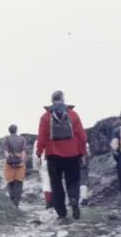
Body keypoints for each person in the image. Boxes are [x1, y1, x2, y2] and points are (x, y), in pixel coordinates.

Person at [36, 90, 87, 221]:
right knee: (73, 180)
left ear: (51, 100)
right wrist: (83, 152)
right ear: (63, 99)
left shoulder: (45, 117)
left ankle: (61, 213)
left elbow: (41, 138)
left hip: (53, 155)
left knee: (56, 183)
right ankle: (74, 198)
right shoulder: (73, 114)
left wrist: (38, 152)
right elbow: (81, 135)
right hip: (73, 154)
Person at [2, 123, 27, 207]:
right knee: (19, 183)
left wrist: (9, 159)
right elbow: (23, 151)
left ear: (9, 131)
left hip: (9, 163)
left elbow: (5, 152)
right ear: (16, 130)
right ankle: (17, 203)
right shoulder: (22, 139)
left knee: (10, 182)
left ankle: (12, 202)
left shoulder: (7, 139)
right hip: (19, 162)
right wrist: (22, 161)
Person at [34, 137, 52, 208]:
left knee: (46, 182)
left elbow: (36, 154)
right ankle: (55, 200)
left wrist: (36, 165)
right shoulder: (55, 137)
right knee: (55, 181)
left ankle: (48, 202)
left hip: (44, 162)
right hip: (55, 161)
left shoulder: (38, 140)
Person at [79, 141, 91, 207]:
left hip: (73, 163)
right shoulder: (84, 143)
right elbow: (88, 154)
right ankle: (84, 199)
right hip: (83, 164)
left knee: (77, 181)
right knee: (83, 181)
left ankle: (79, 198)